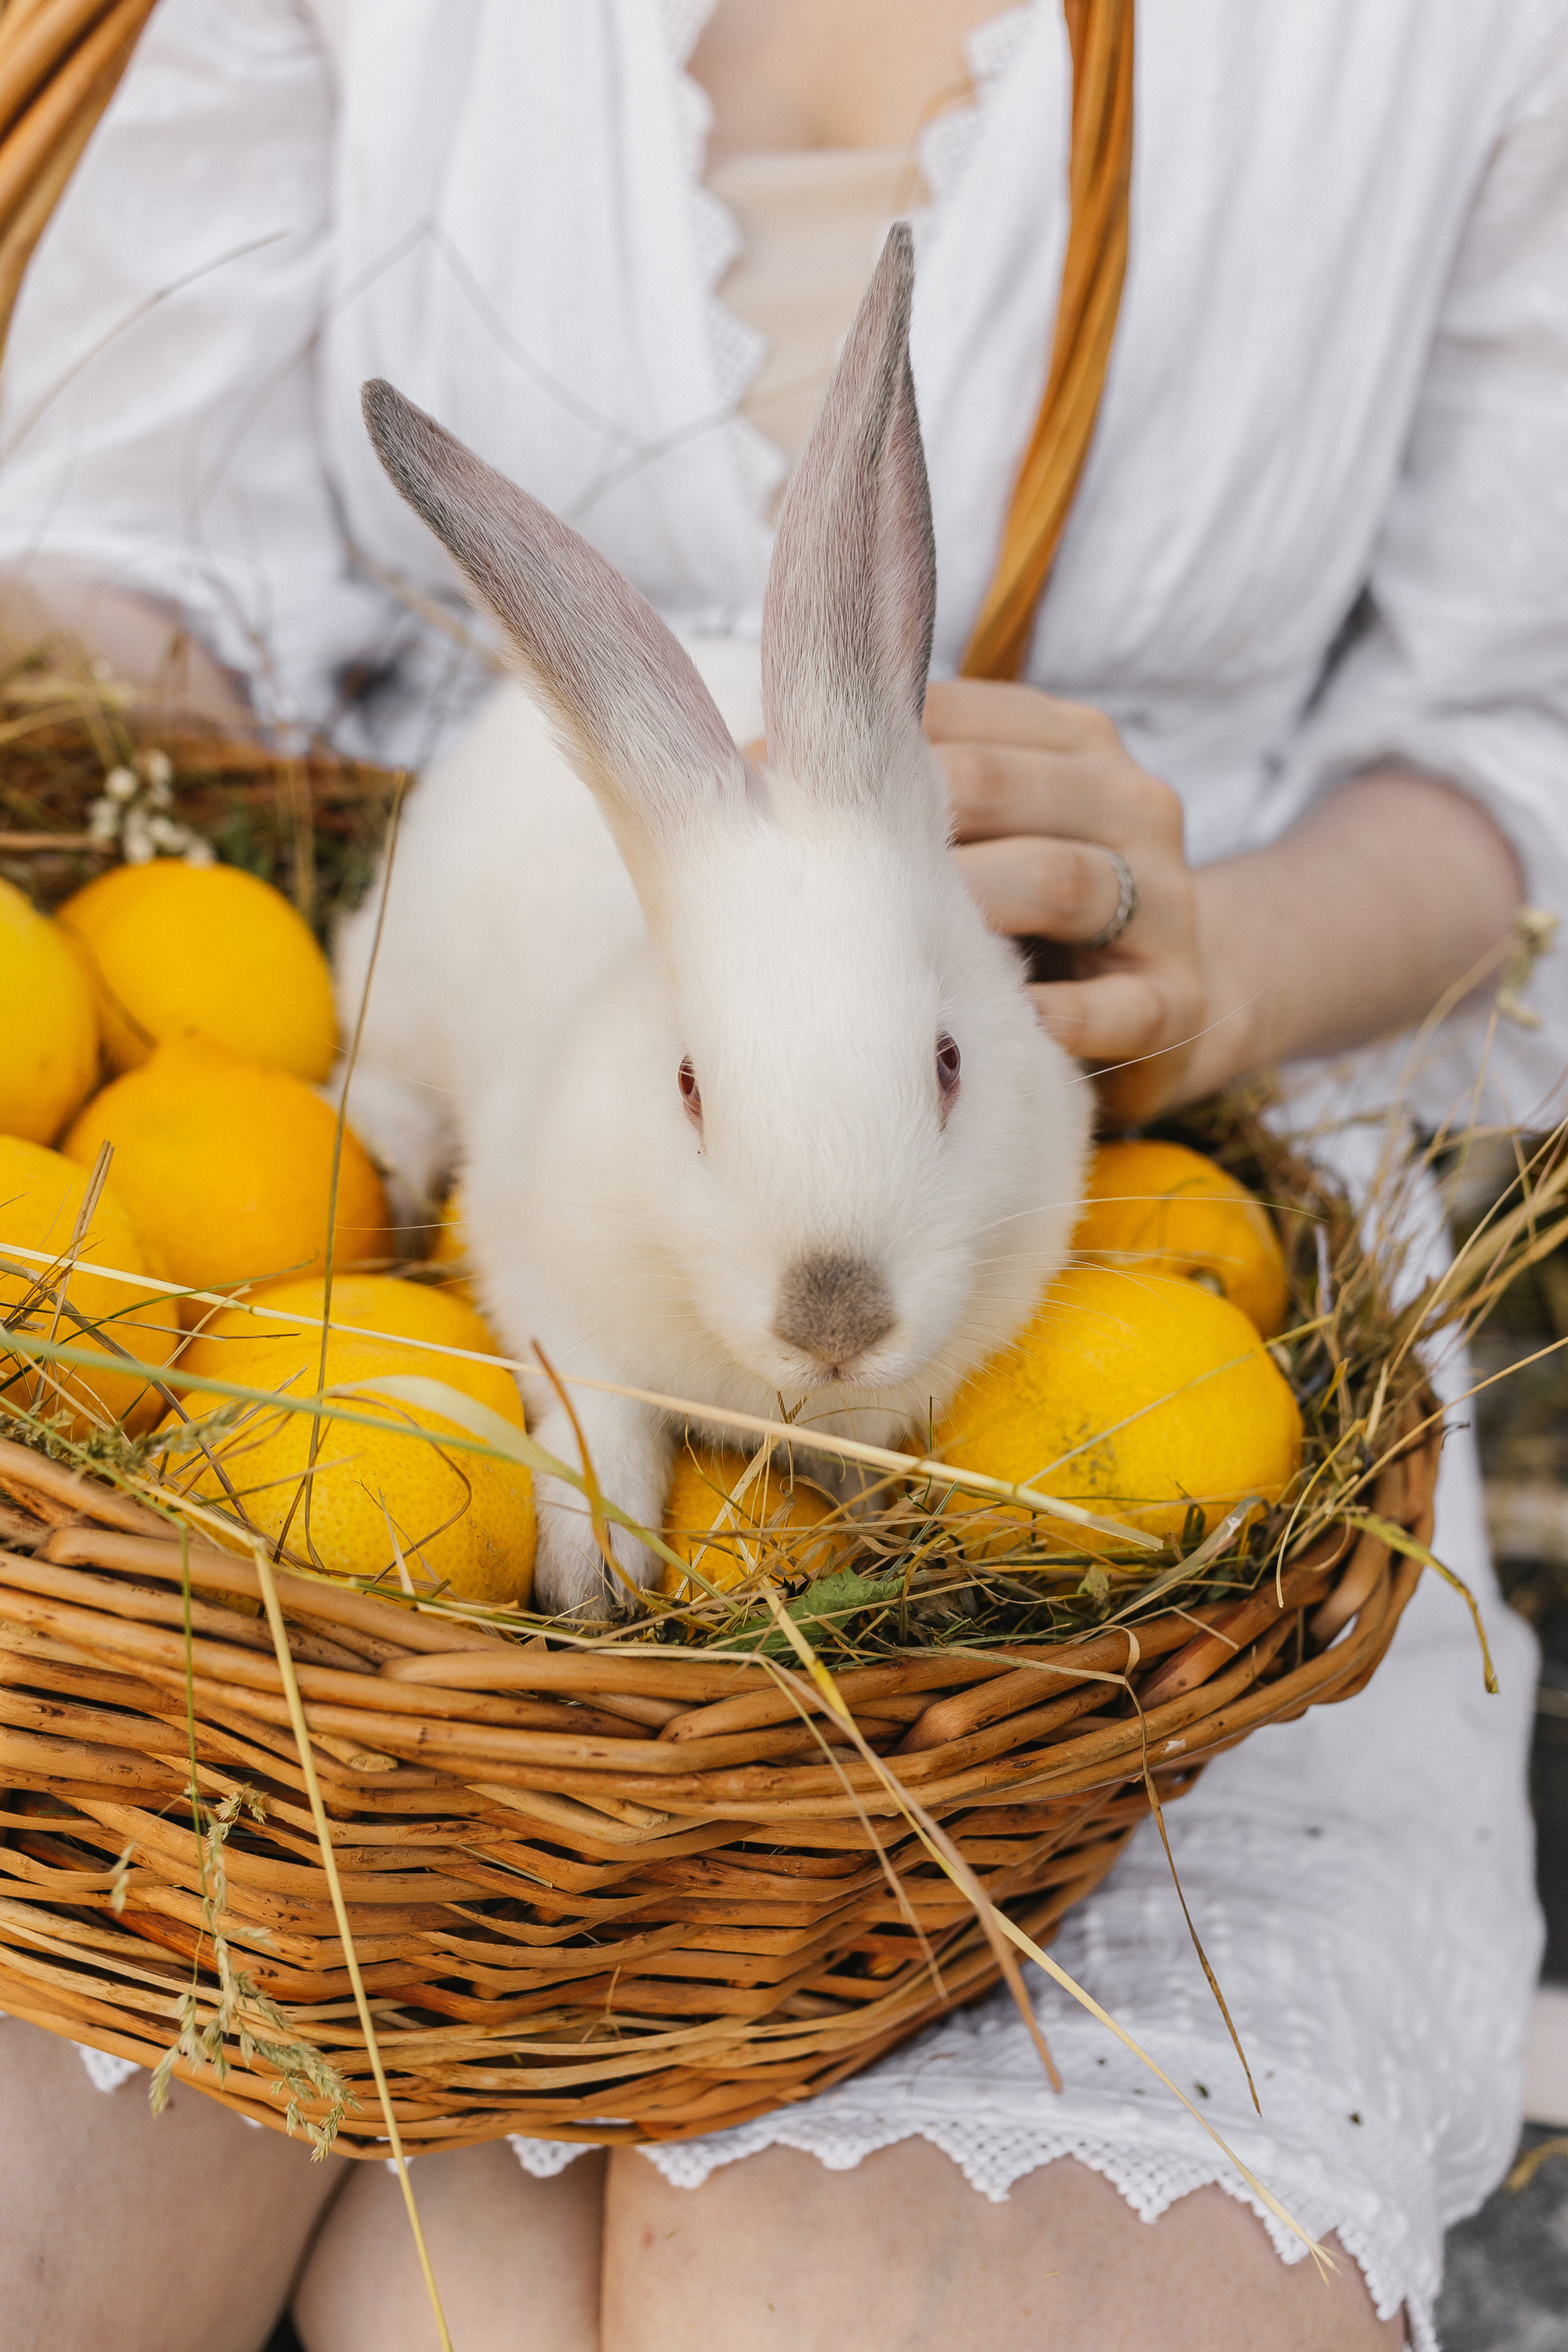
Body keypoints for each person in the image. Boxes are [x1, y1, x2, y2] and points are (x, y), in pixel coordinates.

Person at [0, 3, 1565, 2347]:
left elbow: (1513, 755)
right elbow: (127, 598)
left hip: (1144, 1154)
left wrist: (1212, 966)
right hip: (323, 1206)